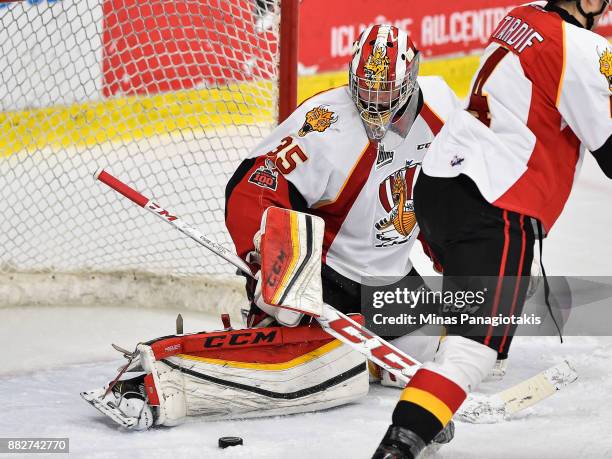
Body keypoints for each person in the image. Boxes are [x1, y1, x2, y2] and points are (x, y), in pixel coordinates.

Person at [81, 25, 460, 436]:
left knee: (419, 354)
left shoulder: (441, 113)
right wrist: (270, 260)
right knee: (310, 374)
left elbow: (444, 198)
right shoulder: (325, 124)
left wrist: (458, 256)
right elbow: (252, 189)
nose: (375, 101)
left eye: (386, 91)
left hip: (390, 278)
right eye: (366, 88)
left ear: (411, 80)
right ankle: (161, 374)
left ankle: (355, 348)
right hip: (324, 277)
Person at [372, 1, 612, 458]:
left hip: (439, 188)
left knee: (482, 304)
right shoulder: (582, 46)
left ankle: (434, 398)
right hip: (497, 205)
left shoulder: (520, 17)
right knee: (474, 352)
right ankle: (402, 443)